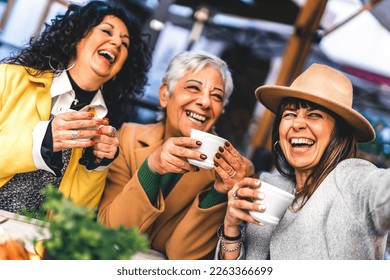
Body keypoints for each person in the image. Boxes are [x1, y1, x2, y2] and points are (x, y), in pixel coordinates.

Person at [217, 63, 390, 260]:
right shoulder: (269, 186)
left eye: (314, 115)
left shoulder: (351, 181)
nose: (297, 123)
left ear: (339, 133)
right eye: (289, 114)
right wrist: (231, 228)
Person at [98, 50, 254, 260]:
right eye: (193, 88)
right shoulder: (128, 137)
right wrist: (151, 168)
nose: (205, 103)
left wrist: (219, 192)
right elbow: (110, 231)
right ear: (165, 94)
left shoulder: (235, 170)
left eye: (216, 96)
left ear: (221, 110)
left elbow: (183, 258)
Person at [0, 1, 151, 215]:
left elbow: (79, 214)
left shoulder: (104, 124)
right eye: (106, 31)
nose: (116, 43)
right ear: (76, 37)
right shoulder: (7, 78)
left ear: (120, 69)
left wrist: (98, 165)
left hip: (37, 244)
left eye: (124, 44)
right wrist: (40, 142)